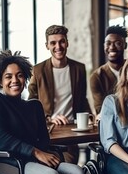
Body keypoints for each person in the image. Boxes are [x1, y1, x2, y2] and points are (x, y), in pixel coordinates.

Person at [28, 25, 91, 164]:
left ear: (67, 43)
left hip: (71, 131)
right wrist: (49, 117)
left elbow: (82, 99)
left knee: (70, 169)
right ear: (47, 46)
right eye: (53, 43)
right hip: (46, 129)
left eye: (62, 41)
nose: (58, 46)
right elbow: (31, 103)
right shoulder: (38, 70)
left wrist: (90, 117)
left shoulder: (79, 69)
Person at [90, 25, 128, 116]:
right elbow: (101, 109)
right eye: (108, 43)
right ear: (104, 46)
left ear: (125, 45)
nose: (112, 47)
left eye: (117, 43)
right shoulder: (97, 77)